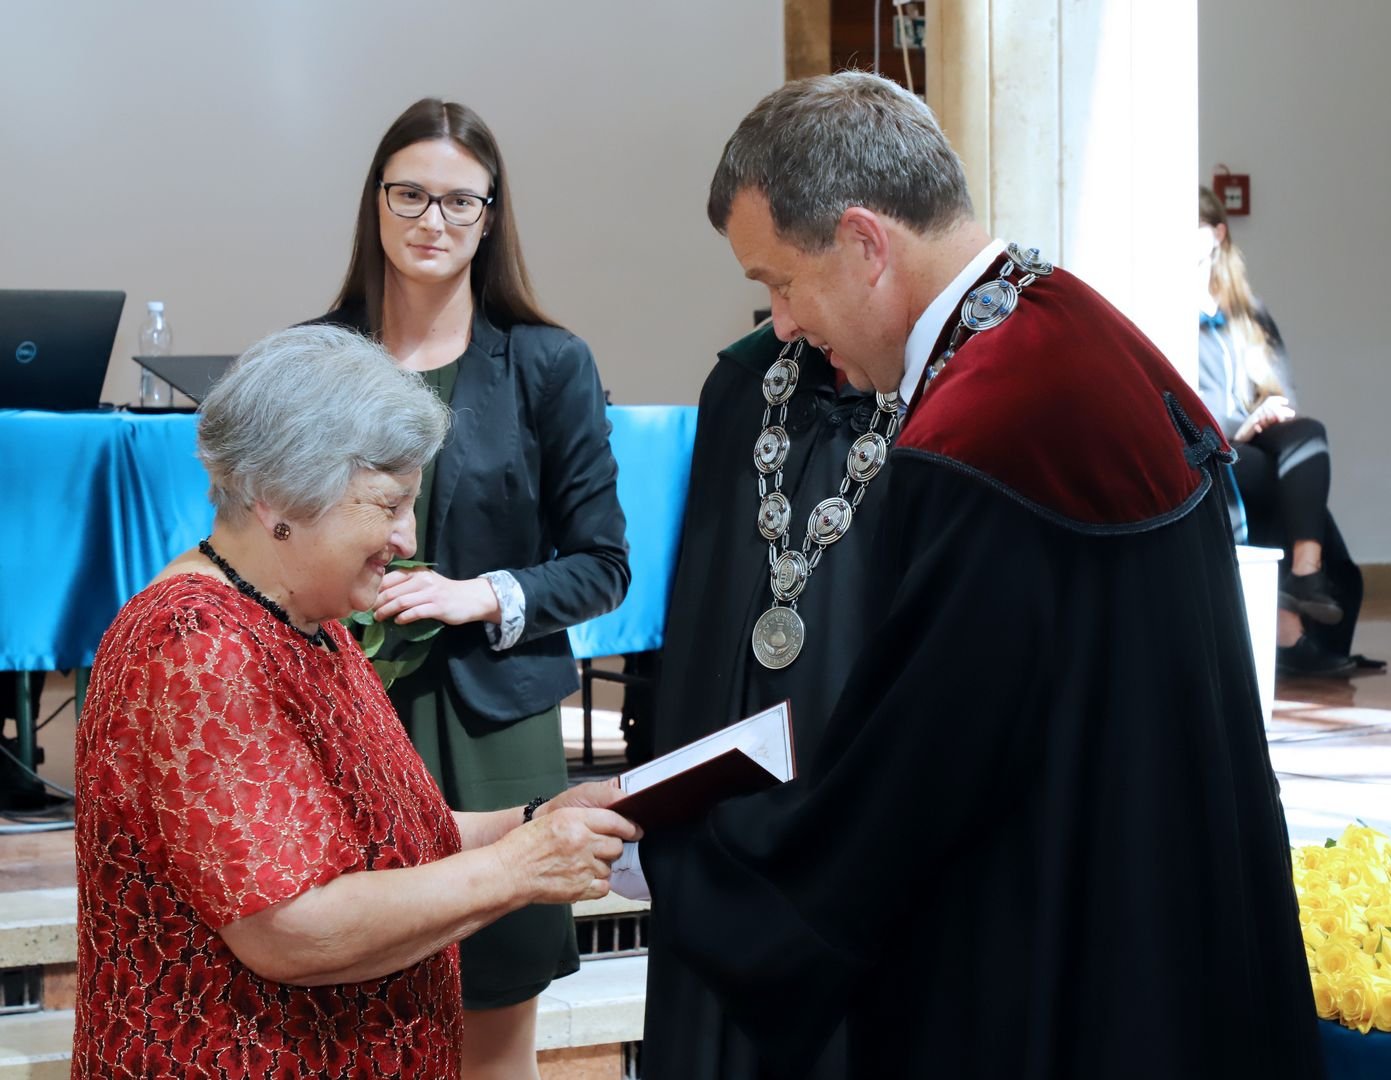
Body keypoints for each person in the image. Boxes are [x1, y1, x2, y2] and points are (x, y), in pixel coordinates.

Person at [611, 73, 1324, 1078]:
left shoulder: (982, 432)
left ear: (865, 244)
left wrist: (680, 863)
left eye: (781, 282)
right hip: (1160, 900)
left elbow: (915, 777)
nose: (781, 322)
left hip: (1053, 955)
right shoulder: (1084, 330)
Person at [72, 326, 639, 1078]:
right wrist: (517, 868)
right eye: (389, 505)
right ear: (280, 496)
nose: (407, 537)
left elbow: (388, 837)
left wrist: (537, 820)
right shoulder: (196, 645)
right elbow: (288, 928)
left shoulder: (310, 623)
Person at [316, 98, 631, 1078]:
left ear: (491, 217)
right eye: (409, 194)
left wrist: (481, 594)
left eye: (460, 201)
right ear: (376, 202)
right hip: (343, 704)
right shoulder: (315, 359)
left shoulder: (547, 362)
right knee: (346, 995)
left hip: (495, 723)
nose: (433, 220)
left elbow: (603, 564)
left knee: (493, 1009)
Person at [643, 326, 886, 1080]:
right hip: (730, 777)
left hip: (856, 783)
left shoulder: (958, 398)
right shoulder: (744, 383)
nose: (779, 319)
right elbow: (703, 608)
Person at [1196, 186, 1374, 677]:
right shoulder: (1165, 309)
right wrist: (1241, 427)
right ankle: (1290, 630)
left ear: (1217, 235)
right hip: (1209, 444)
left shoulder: (1248, 309)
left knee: (1307, 434)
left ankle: (1304, 575)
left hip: (1258, 438)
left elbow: (1281, 384)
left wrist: (1270, 412)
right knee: (1282, 479)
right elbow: (1178, 398)